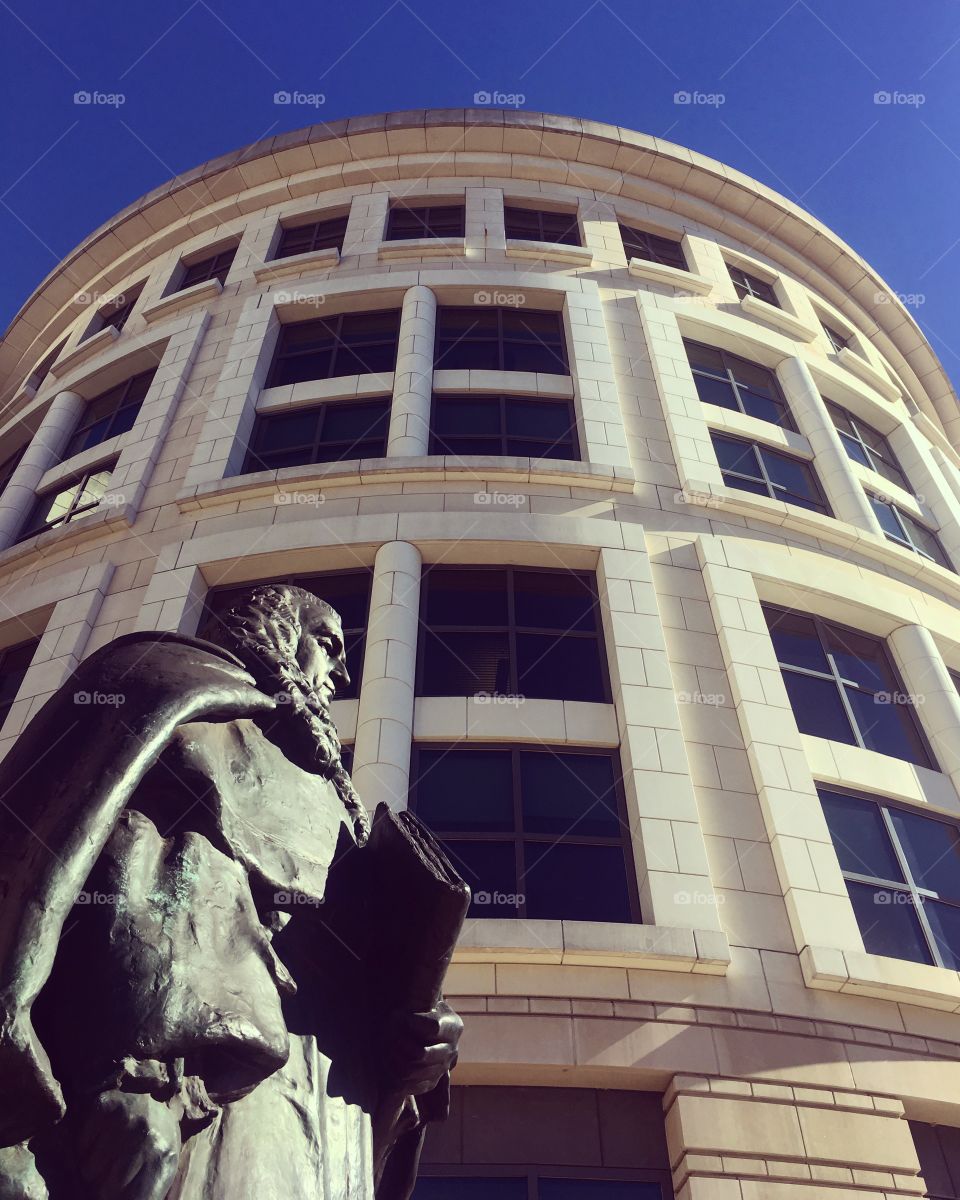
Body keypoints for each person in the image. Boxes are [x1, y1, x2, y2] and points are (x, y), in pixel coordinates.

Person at [0, 584, 462, 1199]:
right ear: (279, 630)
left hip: (320, 1115)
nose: (342, 671)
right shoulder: (167, 688)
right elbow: (62, 856)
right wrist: (109, 1067)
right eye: (328, 643)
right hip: (179, 1086)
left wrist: (426, 1040)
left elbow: (380, 984)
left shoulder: (343, 808)